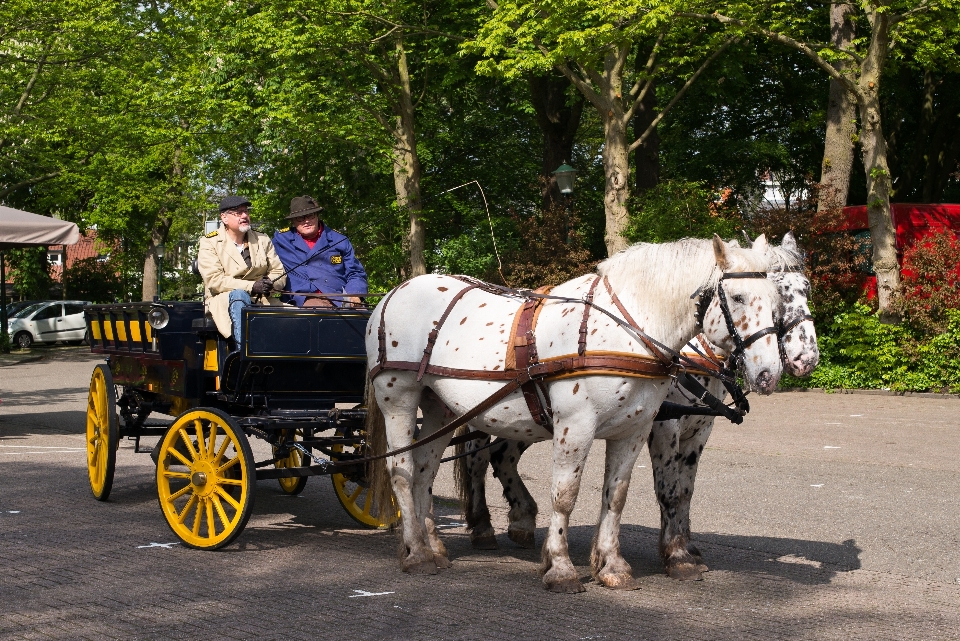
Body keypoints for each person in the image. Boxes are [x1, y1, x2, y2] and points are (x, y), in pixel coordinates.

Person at [197, 195, 287, 345]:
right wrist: (251, 286)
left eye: (246, 211)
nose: (245, 216)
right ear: (224, 218)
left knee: (302, 317)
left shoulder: (262, 239)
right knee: (239, 295)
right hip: (224, 300)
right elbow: (214, 281)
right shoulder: (209, 242)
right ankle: (245, 353)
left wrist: (270, 284)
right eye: (238, 213)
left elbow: (279, 272)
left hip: (263, 300)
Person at [272, 195, 368, 308]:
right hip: (301, 300)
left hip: (338, 298)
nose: (306, 221)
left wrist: (355, 294)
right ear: (293, 221)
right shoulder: (281, 240)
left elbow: (355, 272)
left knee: (370, 319)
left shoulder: (339, 239)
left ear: (317, 215)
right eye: (300, 218)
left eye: (310, 216)